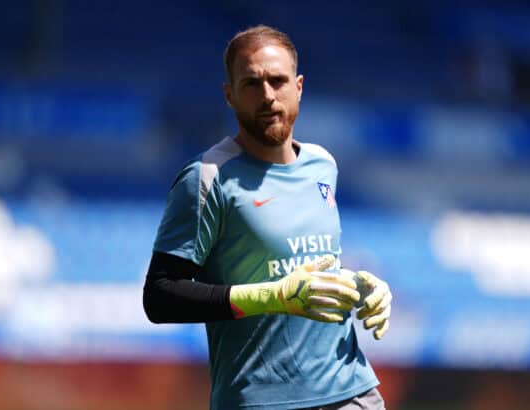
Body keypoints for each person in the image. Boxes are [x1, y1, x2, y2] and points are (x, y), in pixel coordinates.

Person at [143, 25, 392, 410]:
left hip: (352, 391)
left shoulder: (323, 165)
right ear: (229, 94)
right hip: (262, 401)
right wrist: (273, 297)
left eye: (278, 81)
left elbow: (305, 264)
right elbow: (160, 296)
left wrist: (360, 286)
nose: (267, 95)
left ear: (299, 87)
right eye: (251, 84)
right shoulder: (206, 178)